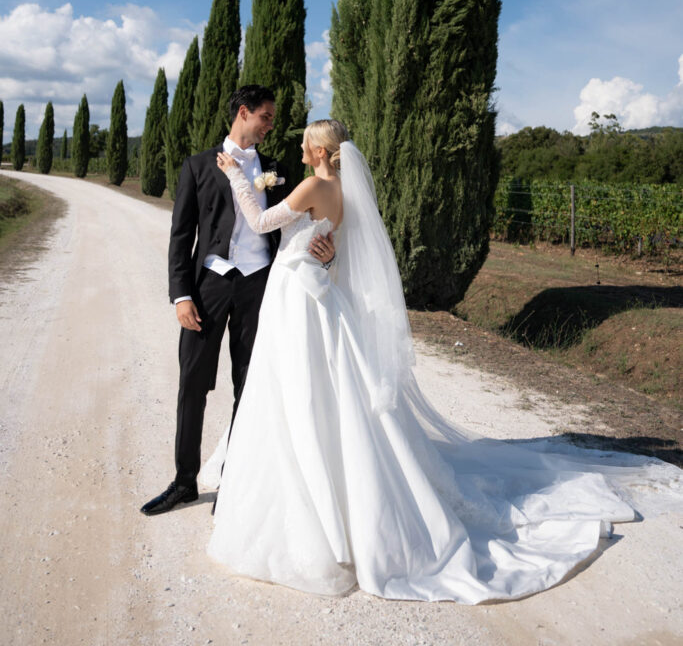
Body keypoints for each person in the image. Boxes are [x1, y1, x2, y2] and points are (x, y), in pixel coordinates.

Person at [201, 120, 683, 602]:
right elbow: (327, 249)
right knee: (320, 391)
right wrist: (323, 258)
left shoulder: (313, 183)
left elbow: (263, 224)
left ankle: (316, 505)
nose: (299, 147)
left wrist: (236, 178)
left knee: (300, 391)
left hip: (297, 298)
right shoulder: (342, 192)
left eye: (305, 141)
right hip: (314, 292)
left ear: (320, 150)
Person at [140, 86, 334, 517]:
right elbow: (180, 237)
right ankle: (184, 481)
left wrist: (327, 248)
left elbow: (309, 221)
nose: (270, 125)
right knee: (193, 382)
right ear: (244, 113)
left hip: (260, 288)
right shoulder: (197, 167)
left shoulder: (277, 169)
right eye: (265, 117)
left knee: (250, 384)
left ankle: (237, 480)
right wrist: (181, 295)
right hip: (208, 286)